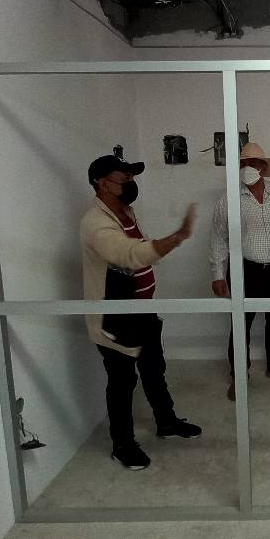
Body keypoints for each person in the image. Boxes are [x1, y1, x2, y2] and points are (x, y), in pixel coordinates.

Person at [80, 147, 202, 471]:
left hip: (143, 309)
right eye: (124, 177)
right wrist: (178, 237)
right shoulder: (95, 223)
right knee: (122, 381)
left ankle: (166, 421)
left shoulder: (126, 213)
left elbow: (138, 253)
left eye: (132, 175)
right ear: (102, 183)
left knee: (153, 368)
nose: (131, 181)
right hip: (115, 318)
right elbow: (128, 254)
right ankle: (122, 444)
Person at [210, 142, 270, 401]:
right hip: (244, 270)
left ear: (263, 167)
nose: (248, 167)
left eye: (253, 163)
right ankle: (239, 375)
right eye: (244, 163)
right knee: (241, 323)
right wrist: (218, 274)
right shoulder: (228, 198)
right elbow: (218, 237)